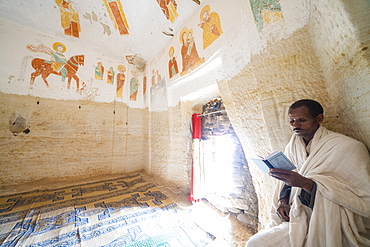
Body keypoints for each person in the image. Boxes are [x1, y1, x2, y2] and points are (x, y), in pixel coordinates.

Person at [246, 99, 370, 247]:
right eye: (291, 121)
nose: (295, 125)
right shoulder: (293, 146)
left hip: (329, 218)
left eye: (302, 120)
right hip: (297, 214)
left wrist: (306, 183)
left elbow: (361, 198)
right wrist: (283, 202)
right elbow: (287, 183)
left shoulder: (348, 147)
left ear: (319, 119)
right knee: (254, 243)